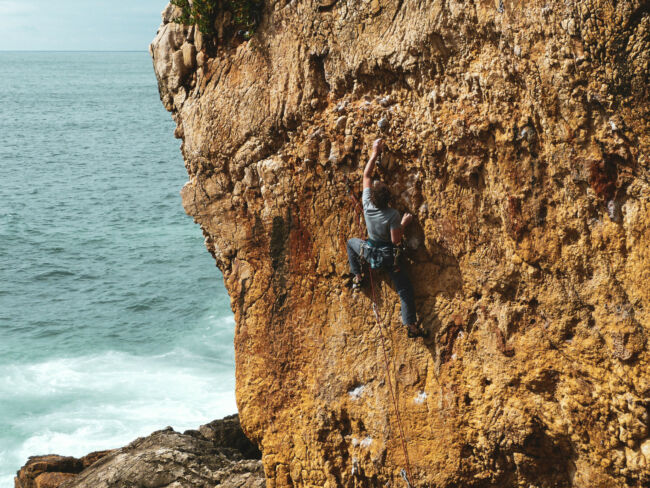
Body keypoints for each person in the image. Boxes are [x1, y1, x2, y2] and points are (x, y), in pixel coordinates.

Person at [346, 138, 423, 338]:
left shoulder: (367, 204)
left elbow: (366, 175)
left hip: (369, 252)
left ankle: (358, 276)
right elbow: (396, 241)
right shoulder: (392, 215)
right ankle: (412, 327)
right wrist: (403, 224)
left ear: (372, 197)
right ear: (389, 200)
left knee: (351, 243)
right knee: (404, 289)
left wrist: (374, 152)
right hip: (388, 259)